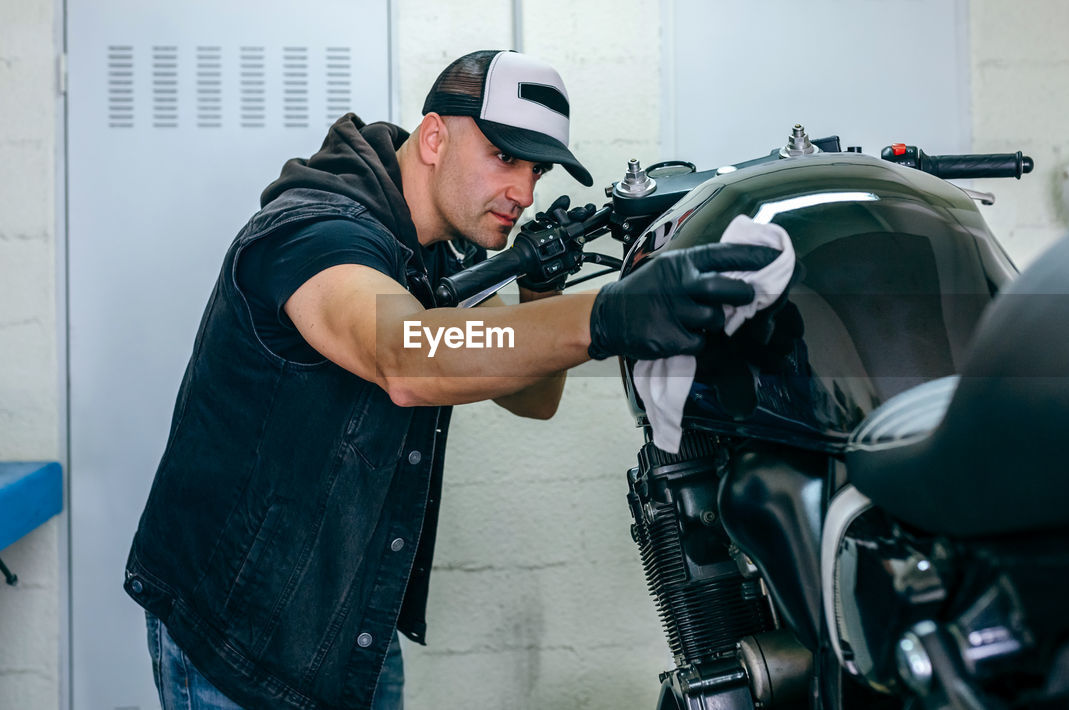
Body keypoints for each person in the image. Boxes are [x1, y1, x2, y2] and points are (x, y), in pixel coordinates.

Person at [123, 49, 778, 710]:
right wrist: (607, 313)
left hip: (349, 623)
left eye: (536, 170)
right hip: (238, 634)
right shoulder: (314, 233)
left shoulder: (437, 252)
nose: (523, 193)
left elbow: (530, 396)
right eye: (503, 157)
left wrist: (539, 286)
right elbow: (409, 356)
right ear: (434, 137)